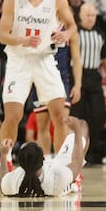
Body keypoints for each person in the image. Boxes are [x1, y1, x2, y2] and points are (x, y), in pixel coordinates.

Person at [0, 0, 78, 166]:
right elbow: (2, 36)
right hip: (19, 60)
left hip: (44, 58)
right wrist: (21, 40)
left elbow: (72, 26)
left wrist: (65, 34)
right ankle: (6, 161)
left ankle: (62, 165)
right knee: (13, 115)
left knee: (60, 116)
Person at [72, 2, 106, 164]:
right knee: (77, 115)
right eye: (88, 15)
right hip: (76, 75)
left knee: (99, 114)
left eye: (93, 15)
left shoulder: (100, 34)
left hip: (94, 76)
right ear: (80, 16)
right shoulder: (74, 32)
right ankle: (75, 151)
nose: (91, 18)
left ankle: (92, 147)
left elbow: (105, 59)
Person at [0, 116, 89, 197]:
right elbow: (77, 161)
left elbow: (2, 183)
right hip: (60, 168)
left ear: (20, 165)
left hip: (52, 172)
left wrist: (4, 155)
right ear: (44, 160)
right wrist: (77, 130)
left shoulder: (15, 179)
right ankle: (75, 180)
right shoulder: (59, 175)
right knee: (82, 125)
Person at [32, 27, 82, 158]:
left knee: (62, 121)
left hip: (61, 79)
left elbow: (76, 59)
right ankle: (46, 162)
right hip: (40, 78)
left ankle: (60, 162)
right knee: (42, 125)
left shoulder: (69, 30)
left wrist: (78, 85)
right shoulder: (38, 23)